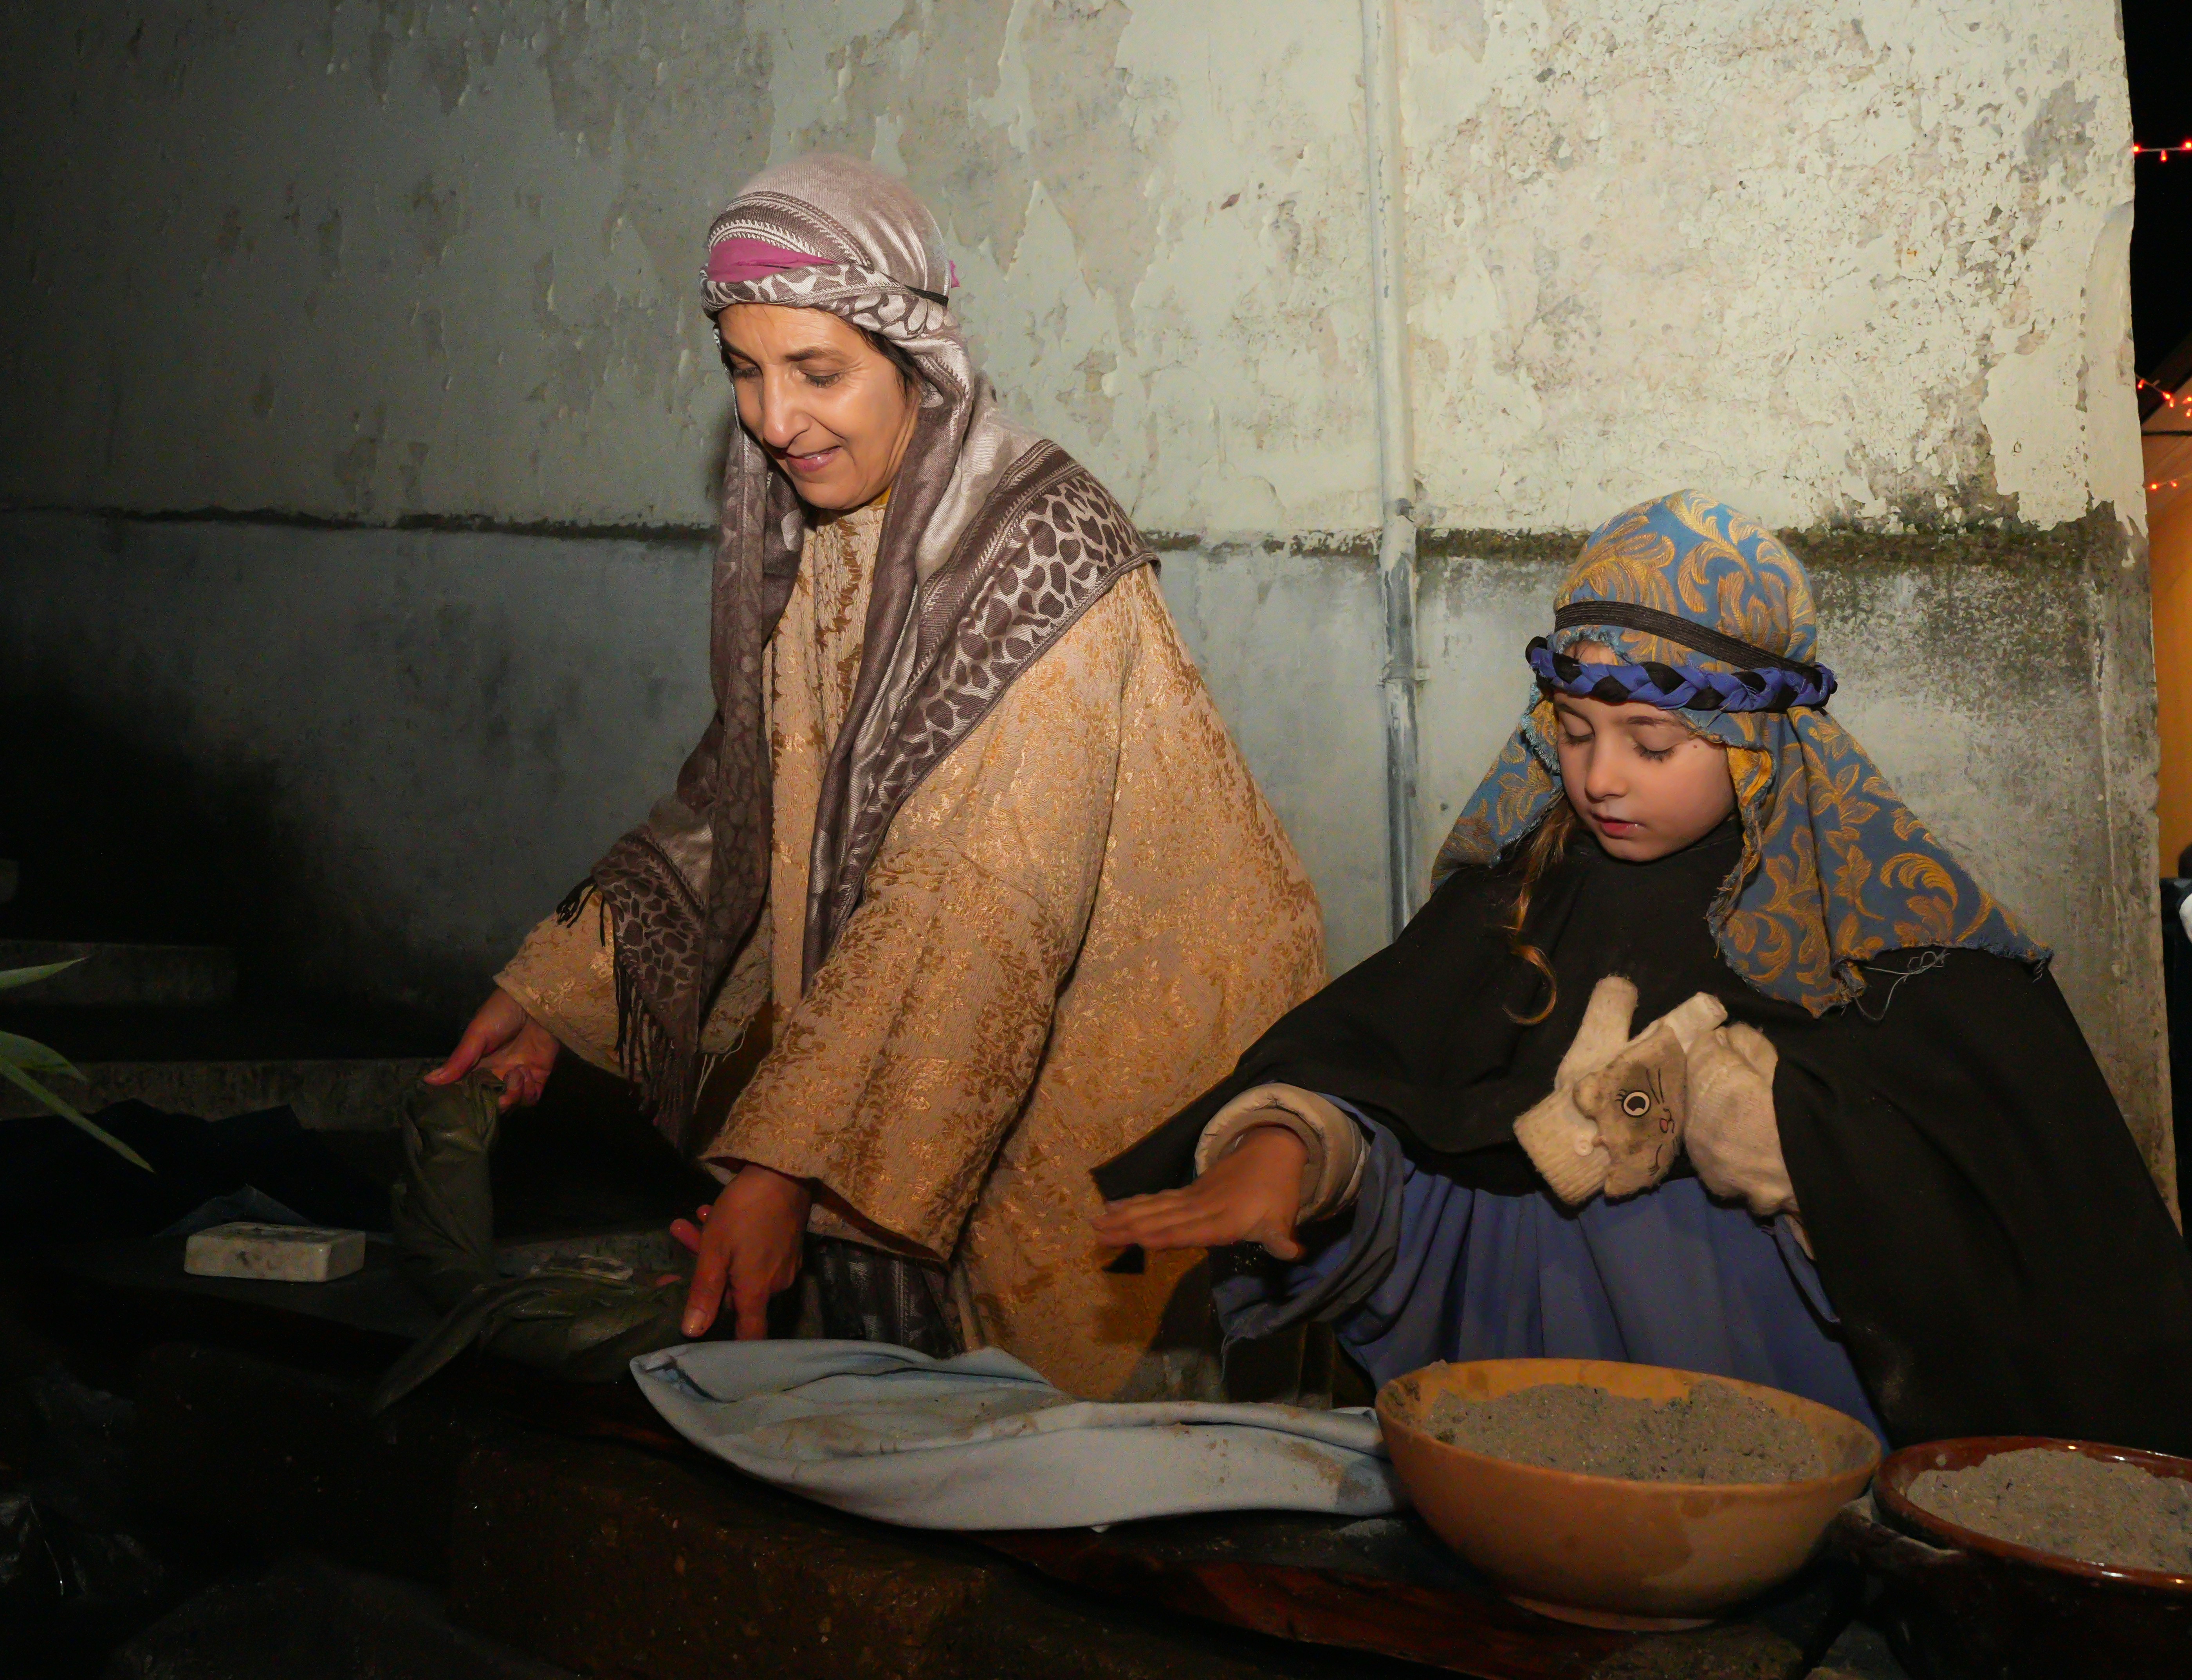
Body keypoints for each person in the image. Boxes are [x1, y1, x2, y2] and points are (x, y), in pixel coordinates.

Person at [428, 154, 1325, 1399]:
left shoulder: (1038, 558)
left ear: (918, 358)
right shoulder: (834, 530)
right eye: (744, 369)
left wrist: (790, 1161)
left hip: (1109, 1083)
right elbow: (751, 795)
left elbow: (977, 901)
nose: (774, 418)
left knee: (1076, 1467)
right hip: (929, 1046)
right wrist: (561, 988)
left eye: (817, 371)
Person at [1095, 489, 2192, 1454]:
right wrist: (1300, 1148)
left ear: (1754, 741)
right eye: (1573, 732)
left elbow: (2008, 1230)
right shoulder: (1515, 904)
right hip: (1525, 1397)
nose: (1600, 778)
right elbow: (1391, 1078)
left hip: (1772, 1414)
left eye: (1650, 743)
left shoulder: (1882, 940)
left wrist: (1775, 1128)